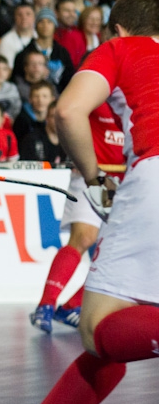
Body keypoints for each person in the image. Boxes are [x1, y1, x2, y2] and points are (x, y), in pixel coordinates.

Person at [0, 0, 159, 404]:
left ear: (117, 29)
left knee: (98, 328)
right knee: (113, 343)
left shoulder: (121, 49)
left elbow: (66, 111)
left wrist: (93, 176)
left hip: (151, 175)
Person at [29, 103, 125, 334]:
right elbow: (67, 113)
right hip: (91, 173)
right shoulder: (99, 91)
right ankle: (45, 305)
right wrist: (74, 152)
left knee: (121, 255)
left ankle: (71, 307)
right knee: (83, 237)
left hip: (127, 179)